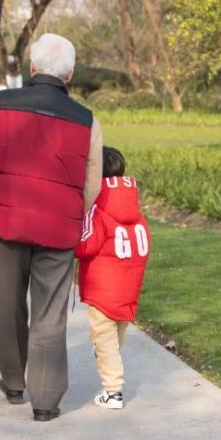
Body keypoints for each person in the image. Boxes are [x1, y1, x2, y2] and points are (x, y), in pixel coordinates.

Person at [0, 33, 103, 422]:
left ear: (32, 68)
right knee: (50, 313)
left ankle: (13, 381)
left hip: (5, 223)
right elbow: (93, 184)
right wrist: (73, 211)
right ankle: (46, 400)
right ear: (69, 75)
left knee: (5, 303)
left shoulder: (1, 105)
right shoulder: (87, 121)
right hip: (58, 230)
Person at [75, 146, 150, 410]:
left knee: (103, 338)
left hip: (102, 288)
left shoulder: (98, 211)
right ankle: (110, 370)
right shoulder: (137, 214)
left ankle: (113, 390)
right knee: (115, 336)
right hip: (128, 288)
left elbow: (84, 246)